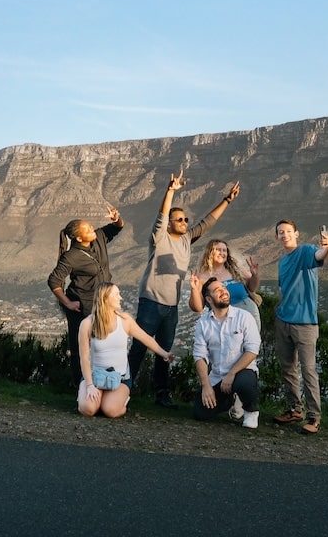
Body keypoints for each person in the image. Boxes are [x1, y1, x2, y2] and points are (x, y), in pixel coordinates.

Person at [127, 169, 240, 408]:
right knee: (139, 347)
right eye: (179, 219)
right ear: (169, 223)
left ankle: (162, 395)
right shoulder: (159, 237)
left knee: (164, 352)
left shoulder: (187, 239)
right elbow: (161, 215)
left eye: (186, 219)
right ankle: (124, 388)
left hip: (171, 307)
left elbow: (207, 222)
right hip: (151, 302)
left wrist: (227, 200)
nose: (185, 222)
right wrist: (170, 191)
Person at [46, 206, 123, 387]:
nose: (92, 229)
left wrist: (116, 218)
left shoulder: (99, 238)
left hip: (104, 303)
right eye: (87, 229)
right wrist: (68, 303)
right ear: (79, 238)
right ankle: (82, 386)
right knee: (82, 348)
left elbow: (118, 227)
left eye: (90, 227)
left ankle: (104, 384)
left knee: (104, 345)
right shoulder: (71, 257)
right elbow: (54, 281)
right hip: (83, 307)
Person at [272, 219, 328, 435]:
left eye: (288, 231)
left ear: (296, 233)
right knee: (288, 368)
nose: (284, 234)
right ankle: (294, 409)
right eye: (280, 232)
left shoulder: (305, 251)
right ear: (277, 237)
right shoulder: (281, 262)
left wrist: (327, 247)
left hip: (305, 322)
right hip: (283, 320)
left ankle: (314, 417)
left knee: (307, 370)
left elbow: (320, 256)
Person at [78, 282, 174, 418]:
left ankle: (116, 402)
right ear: (105, 298)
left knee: (110, 411)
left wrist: (164, 353)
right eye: (116, 294)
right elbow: (84, 358)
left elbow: (146, 338)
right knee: (87, 409)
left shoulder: (125, 320)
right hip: (94, 376)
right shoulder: (87, 324)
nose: (120, 298)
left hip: (120, 378)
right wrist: (89, 385)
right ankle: (94, 399)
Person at [192, 277, 261, 428]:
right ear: (209, 299)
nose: (224, 291)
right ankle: (228, 400)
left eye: (223, 288)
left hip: (243, 371)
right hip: (218, 376)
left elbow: (252, 350)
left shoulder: (244, 317)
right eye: (218, 290)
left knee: (244, 384)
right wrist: (206, 385)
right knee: (200, 412)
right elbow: (199, 356)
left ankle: (250, 410)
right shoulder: (203, 323)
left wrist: (231, 374)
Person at [187, 239, 261, 326]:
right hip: (221, 319)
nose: (222, 253)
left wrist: (255, 276)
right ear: (210, 252)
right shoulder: (202, 277)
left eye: (224, 250)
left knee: (251, 339)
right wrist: (194, 289)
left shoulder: (236, 269)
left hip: (247, 311)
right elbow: (198, 308)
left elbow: (252, 288)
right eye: (218, 250)